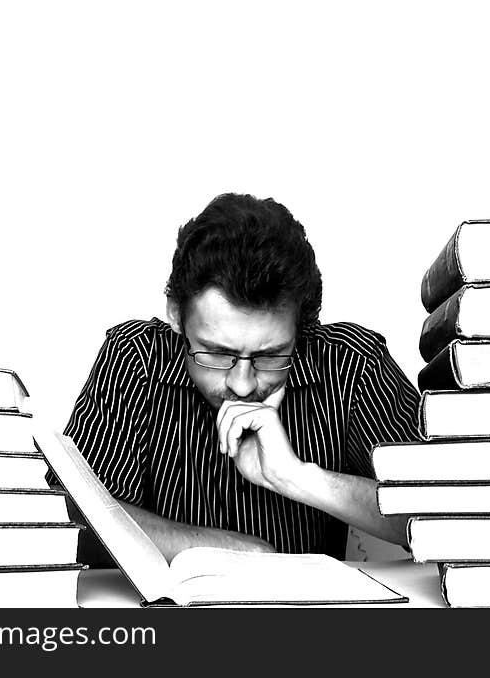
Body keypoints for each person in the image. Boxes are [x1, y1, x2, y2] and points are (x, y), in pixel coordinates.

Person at [59, 193, 423, 561]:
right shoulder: (135, 357)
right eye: (217, 354)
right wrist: (240, 552)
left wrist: (295, 476)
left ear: (302, 329)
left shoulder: (351, 363)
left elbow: (447, 516)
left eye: (269, 356)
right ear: (175, 314)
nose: (243, 385)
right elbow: (71, 520)